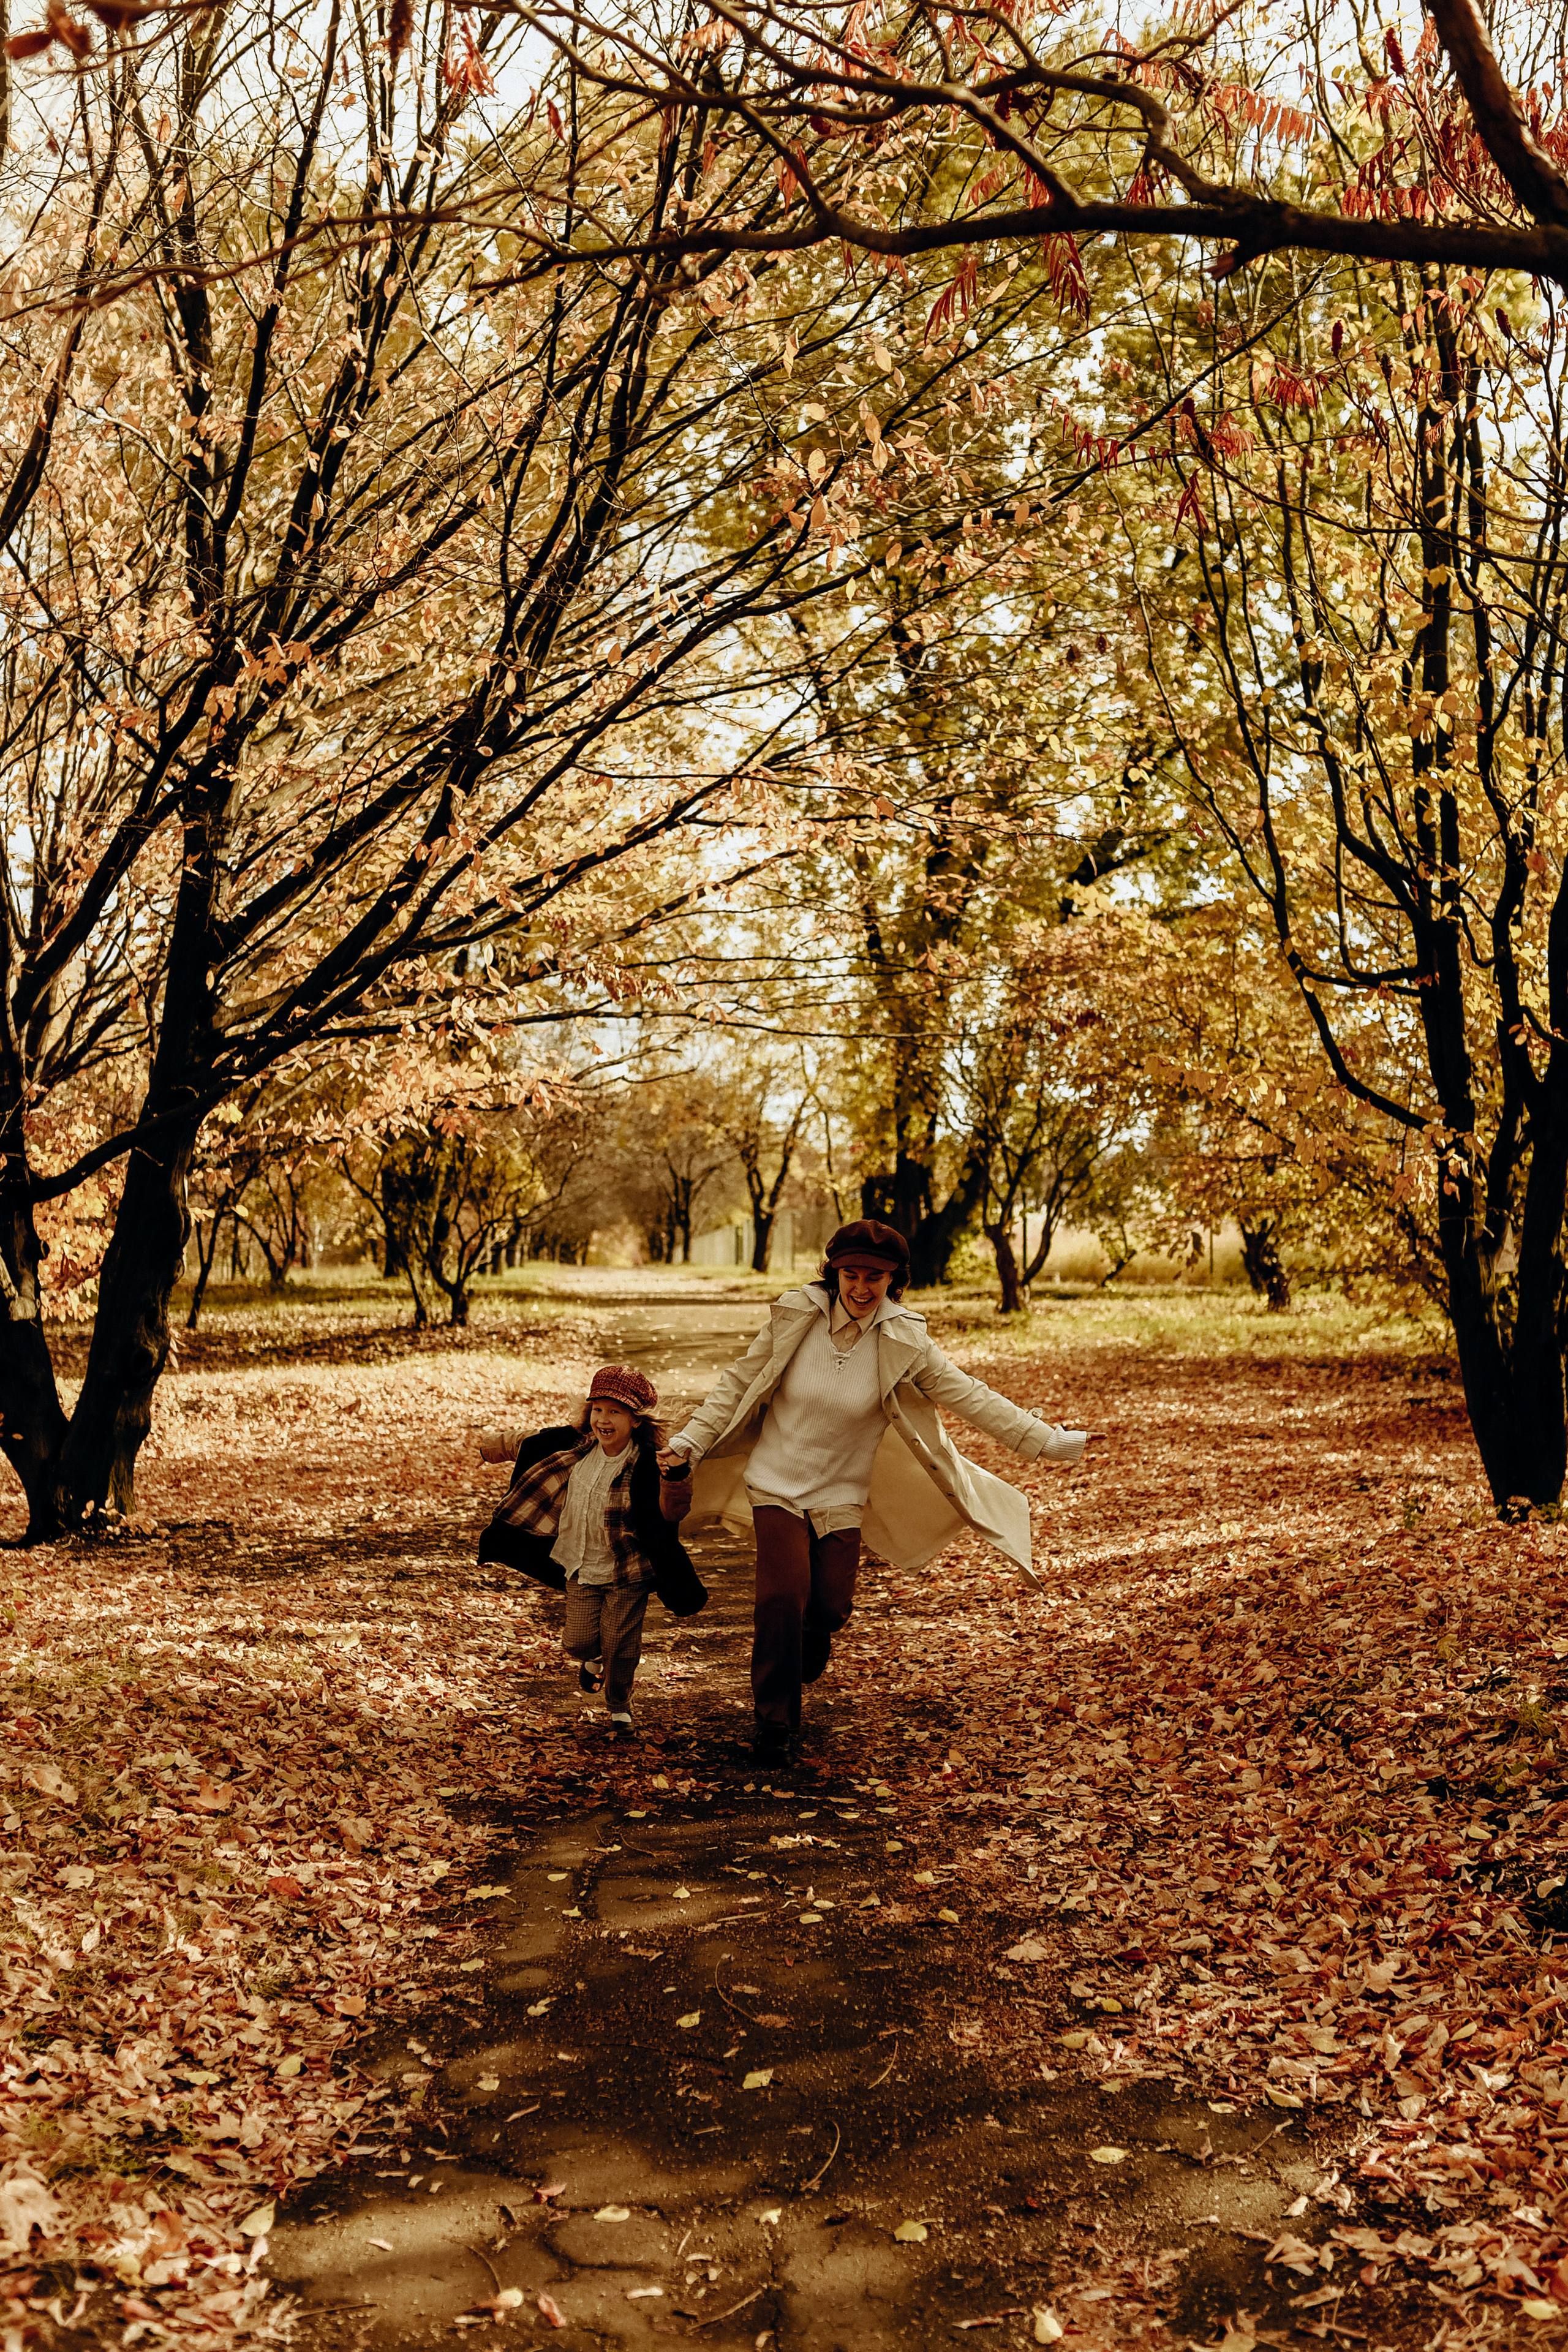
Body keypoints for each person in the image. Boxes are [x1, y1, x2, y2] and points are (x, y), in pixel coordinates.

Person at [658, 1219, 1094, 1766]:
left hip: (842, 1490)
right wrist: (690, 1442)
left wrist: (1049, 1442)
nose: (862, 1288)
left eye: (876, 1278)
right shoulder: (796, 1317)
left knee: (831, 1608)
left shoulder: (905, 1339)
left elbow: (970, 1395)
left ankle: (814, 1637)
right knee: (779, 1599)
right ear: (833, 1272)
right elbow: (739, 1383)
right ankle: (775, 1722)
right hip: (776, 1482)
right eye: (852, 1275)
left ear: (895, 1280)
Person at [478, 1365, 703, 1739]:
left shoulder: (649, 1462)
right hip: (580, 1565)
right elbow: (526, 1441)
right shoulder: (574, 1446)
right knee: (578, 1642)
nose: (604, 1419)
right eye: (597, 1409)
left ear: (636, 1420)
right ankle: (594, 1661)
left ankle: (619, 1707)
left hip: (628, 1569)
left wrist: (676, 1477)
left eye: (615, 1412)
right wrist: (490, 1447)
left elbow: (674, 1509)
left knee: (622, 1645)